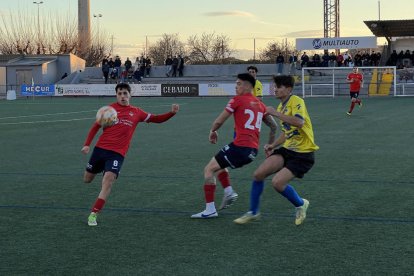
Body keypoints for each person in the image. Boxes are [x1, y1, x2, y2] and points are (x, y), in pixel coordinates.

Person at [81, 83, 179, 226]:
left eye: (125, 93)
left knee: (108, 181)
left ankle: (93, 214)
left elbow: (156, 119)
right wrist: (87, 144)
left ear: (130, 95)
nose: (122, 96)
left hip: (117, 154)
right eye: (119, 93)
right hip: (100, 150)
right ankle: (102, 169)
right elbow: (96, 126)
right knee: (87, 179)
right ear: (116, 95)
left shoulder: (137, 112)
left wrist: (172, 113)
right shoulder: (109, 109)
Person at [234, 75, 318, 226]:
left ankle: (300, 204)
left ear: (289, 89)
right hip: (288, 150)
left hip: (303, 154)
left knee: (277, 183)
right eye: (275, 86)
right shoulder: (281, 106)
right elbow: (288, 132)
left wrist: (275, 113)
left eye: (278, 87)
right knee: (258, 174)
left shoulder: (296, 101)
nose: (275, 89)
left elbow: (299, 122)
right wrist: (273, 145)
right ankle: (253, 212)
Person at [191, 73, 277, 219]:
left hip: (240, 147)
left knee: (208, 170)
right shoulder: (261, 105)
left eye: (238, 83)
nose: (236, 86)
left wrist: (213, 131)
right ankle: (229, 191)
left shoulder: (237, 100)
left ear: (248, 86)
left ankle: (210, 209)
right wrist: (270, 145)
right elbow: (274, 126)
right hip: (252, 151)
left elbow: (219, 121)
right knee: (218, 164)